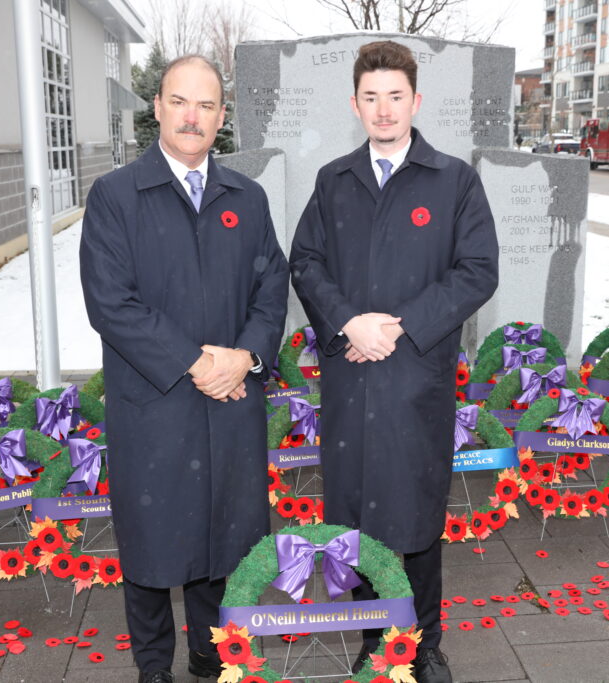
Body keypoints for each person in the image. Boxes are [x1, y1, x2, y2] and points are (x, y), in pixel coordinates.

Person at [289, 40, 499, 683]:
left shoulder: (453, 180)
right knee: (356, 516)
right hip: (352, 376)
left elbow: (477, 271)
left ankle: (425, 643)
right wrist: (348, 321)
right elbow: (306, 263)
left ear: (416, 100)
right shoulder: (334, 181)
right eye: (371, 97)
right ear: (355, 104)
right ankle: (374, 636)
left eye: (396, 96)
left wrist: (399, 328)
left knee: (417, 515)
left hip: (415, 377)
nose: (384, 109)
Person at [79, 55, 288, 683]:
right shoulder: (116, 195)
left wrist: (246, 357)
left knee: (222, 536)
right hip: (156, 401)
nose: (192, 117)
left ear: (221, 116)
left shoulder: (246, 197)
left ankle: (209, 649)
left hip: (231, 400)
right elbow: (111, 302)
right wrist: (195, 361)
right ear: (158, 108)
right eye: (179, 102)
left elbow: (272, 287)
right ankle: (153, 666)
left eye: (205, 105)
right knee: (152, 541)